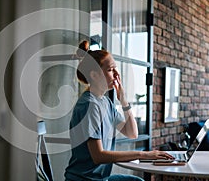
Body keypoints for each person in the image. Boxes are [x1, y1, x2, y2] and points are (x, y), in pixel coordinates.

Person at [64, 41, 174, 181]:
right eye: (110, 70)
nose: (117, 74)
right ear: (94, 75)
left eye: (116, 69)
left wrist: (123, 100)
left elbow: (132, 133)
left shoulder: (105, 102)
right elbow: (98, 156)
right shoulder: (89, 105)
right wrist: (143, 155)